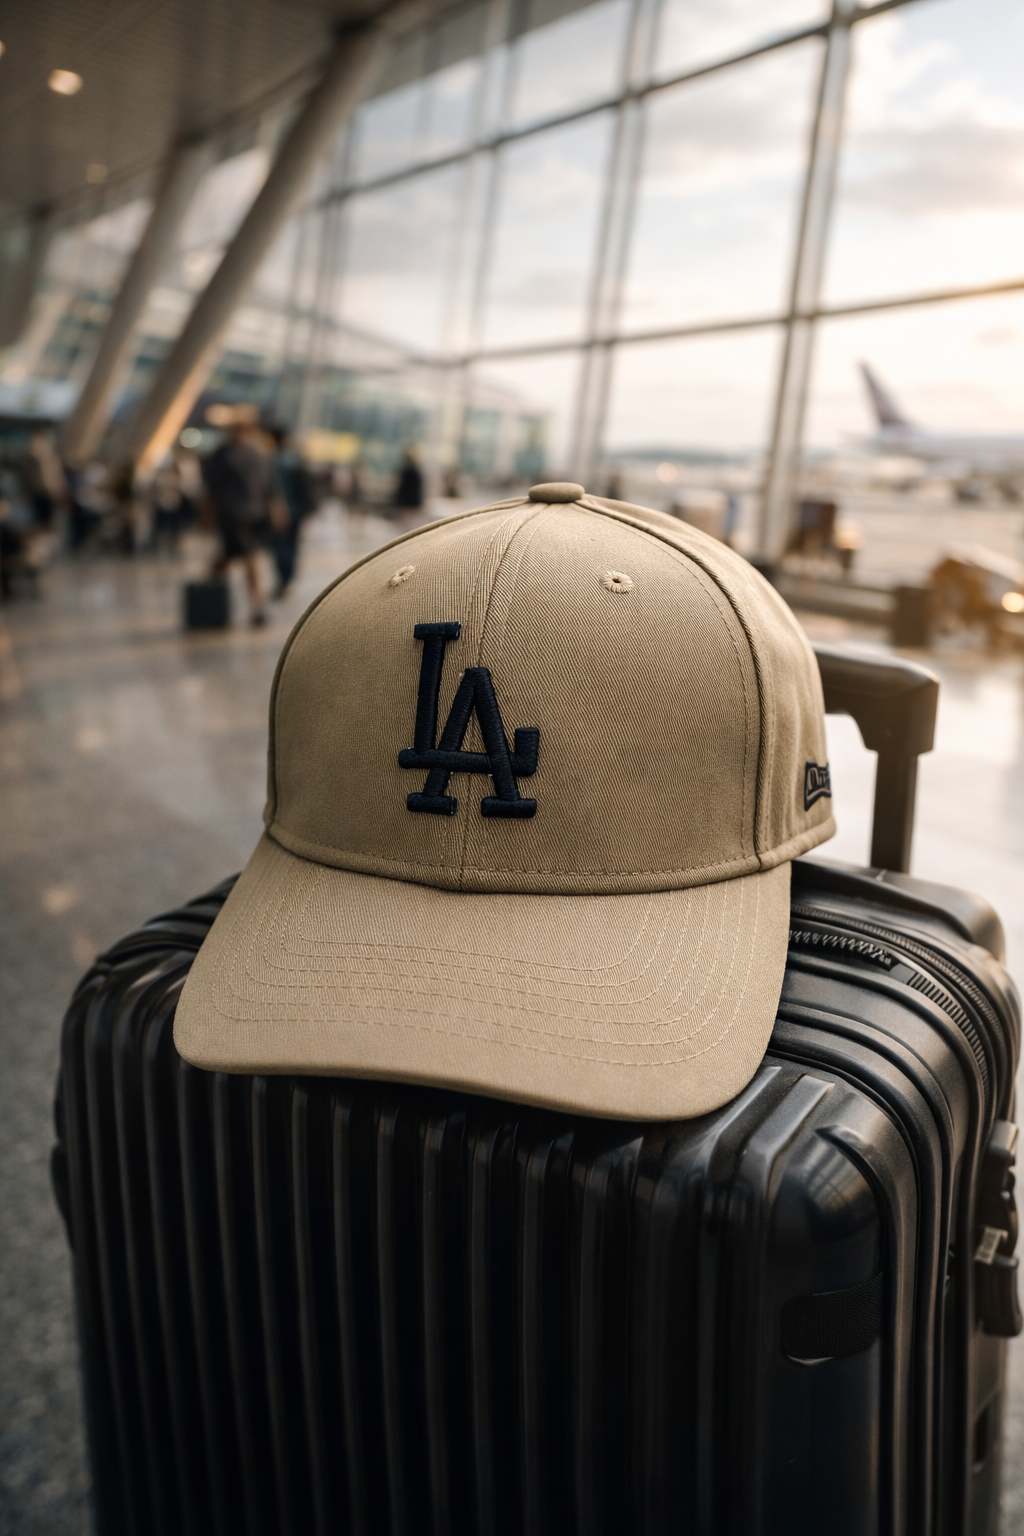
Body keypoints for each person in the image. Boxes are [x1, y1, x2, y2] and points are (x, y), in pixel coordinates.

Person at [203, 415, 285, 626]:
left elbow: (269, 487)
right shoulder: (223, 455)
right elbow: (212, 489)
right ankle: (254, 605)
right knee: (247, 556)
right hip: (232, 514)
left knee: (238, 556)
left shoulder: (258, 456)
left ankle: (220, 594)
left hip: (254, 515)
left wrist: (276, 511)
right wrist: (208, 516)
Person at [269, 428, 316, 599]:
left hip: (281, 511)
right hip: (298, 510)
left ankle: (284, 580)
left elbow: (274, 490)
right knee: (293, 546)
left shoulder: (276, 460)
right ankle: (289, 579)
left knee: (281, 546)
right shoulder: (295, 458)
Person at [393, 447, 423, 512]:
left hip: (408, 503)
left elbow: (404, 489)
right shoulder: (415, 471)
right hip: (412, 502)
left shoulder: (409, 472)